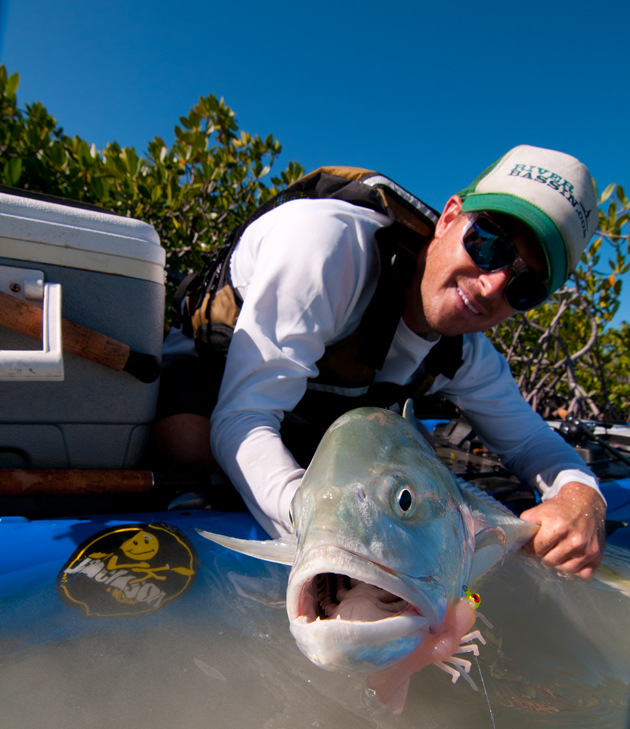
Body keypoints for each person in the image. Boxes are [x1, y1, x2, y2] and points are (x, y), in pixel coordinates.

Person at [153, 145, 606, 580]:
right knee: (191, 442)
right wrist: (327, 532)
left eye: (524, 287)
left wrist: (582, 498)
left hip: (315, 412)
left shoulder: (464, 354)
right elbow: (243, 418)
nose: (491, 287)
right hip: (216, 370)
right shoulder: (326, 247)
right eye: (490, 245)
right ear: (449, 217)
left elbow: (532, 443)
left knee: (411, 463)